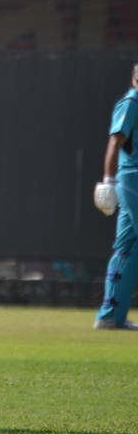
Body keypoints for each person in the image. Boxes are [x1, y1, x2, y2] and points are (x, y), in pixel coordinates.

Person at [92, 63, 138, 330]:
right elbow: (115, 140)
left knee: (128, 247)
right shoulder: (131, 103)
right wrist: (108, 180)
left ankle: (110, 315)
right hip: (132, 177)